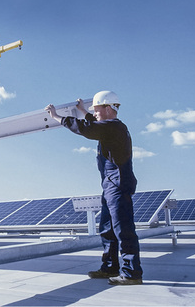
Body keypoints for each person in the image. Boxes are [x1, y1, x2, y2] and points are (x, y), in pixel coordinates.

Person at [45, 91, 143, 285]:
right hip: (110, 185)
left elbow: (87, 128)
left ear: (108, 109)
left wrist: (56, 117)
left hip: (118, 185)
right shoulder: (110, 127)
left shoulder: (115, 127)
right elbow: (94, 124)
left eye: (96, 110)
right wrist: (82, 110)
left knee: (123, 229)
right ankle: (110, 268)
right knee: (107, 229)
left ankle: (132, 273)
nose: (95, 114)